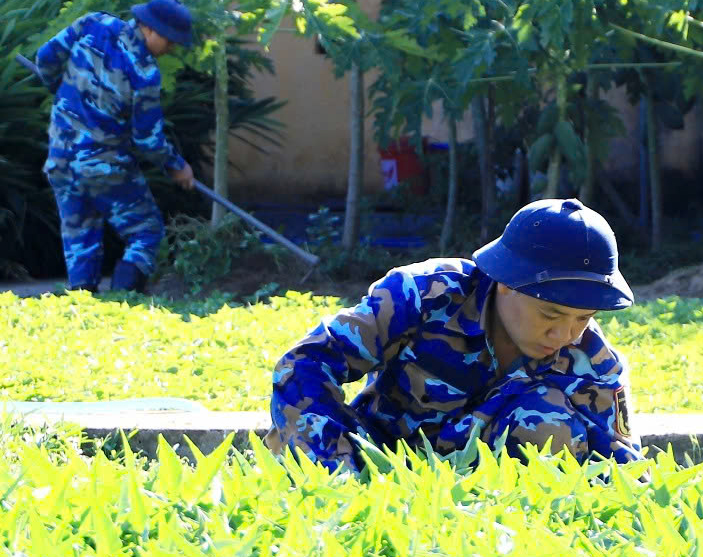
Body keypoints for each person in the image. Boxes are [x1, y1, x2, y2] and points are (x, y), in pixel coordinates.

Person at [268, 198, 642, 473]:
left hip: (484, 491)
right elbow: (304, 364)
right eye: (550, 313)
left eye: (584, 318)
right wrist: (337, 469)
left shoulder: (595, 363)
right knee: (301, 428)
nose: (564, 334)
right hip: (379, 454)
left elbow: (624, 471)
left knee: (549, 422)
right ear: (506, 283)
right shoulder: (424, 295)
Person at [28, 0, 198, 293]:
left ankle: (84, 305)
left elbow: (45, 57)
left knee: (80, 237)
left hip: (62, 159)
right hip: (104, 165)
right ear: (150, 29)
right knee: (146, 230)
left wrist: (62, 91)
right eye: (170, 41)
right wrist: (177, 166)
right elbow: (148, 139)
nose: (171, 48)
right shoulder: (145, 72)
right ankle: (124, 301)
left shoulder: (93, 23)